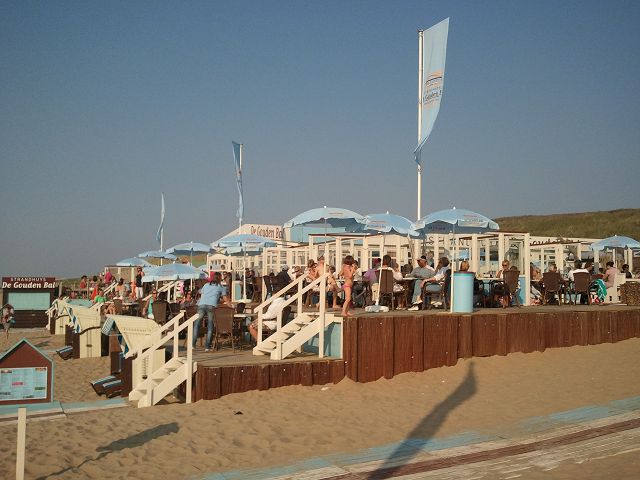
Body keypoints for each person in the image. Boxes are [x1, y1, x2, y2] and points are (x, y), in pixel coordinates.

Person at [193, 272, 229, 352]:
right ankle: (207, 347)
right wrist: (231, 306)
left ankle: (193, 344)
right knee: (210, 325)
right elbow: (225, 299)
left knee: (197, 324)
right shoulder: (221, 287)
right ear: (220, 278)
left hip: (202, 305)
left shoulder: (206, 285)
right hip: (211, 306)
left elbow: (201, 292)